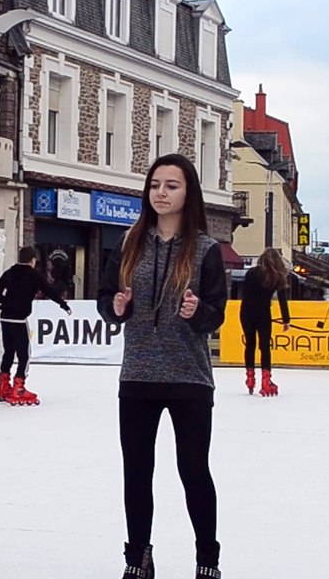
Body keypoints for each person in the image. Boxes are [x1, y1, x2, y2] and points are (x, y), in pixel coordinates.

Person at [97, 154, 228, 579]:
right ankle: (137, 557)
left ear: (189, 193)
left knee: (194, 471)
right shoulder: (129, 242)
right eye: (155, 185)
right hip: (138, 376)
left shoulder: (206, 250)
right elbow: (106, 298)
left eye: (172, 185)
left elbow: (216, 314)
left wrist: (197, 311)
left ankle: (207, 560)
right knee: (136, 473)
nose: (161, 193)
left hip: (189, 378)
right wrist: (116, 307)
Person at [0, 246, 71, 405]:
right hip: (19, 319)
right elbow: (49, 291)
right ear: (33, 260)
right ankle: (19, 387)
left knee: (8, 352)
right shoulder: (34, 275)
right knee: (24, 354)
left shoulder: (10, 272)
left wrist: (5, 301)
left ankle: (3, 385)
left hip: (5, 318)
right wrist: (63, 304)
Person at [239, 248, 291, 397]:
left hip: (246, 311)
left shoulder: (251, 273)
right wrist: (286, 320)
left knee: (250, 344)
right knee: (264, 347)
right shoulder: (277, 277)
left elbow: (244, 293)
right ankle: (266, 381)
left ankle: (250, 378)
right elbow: (282, 300)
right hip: (263, 313)